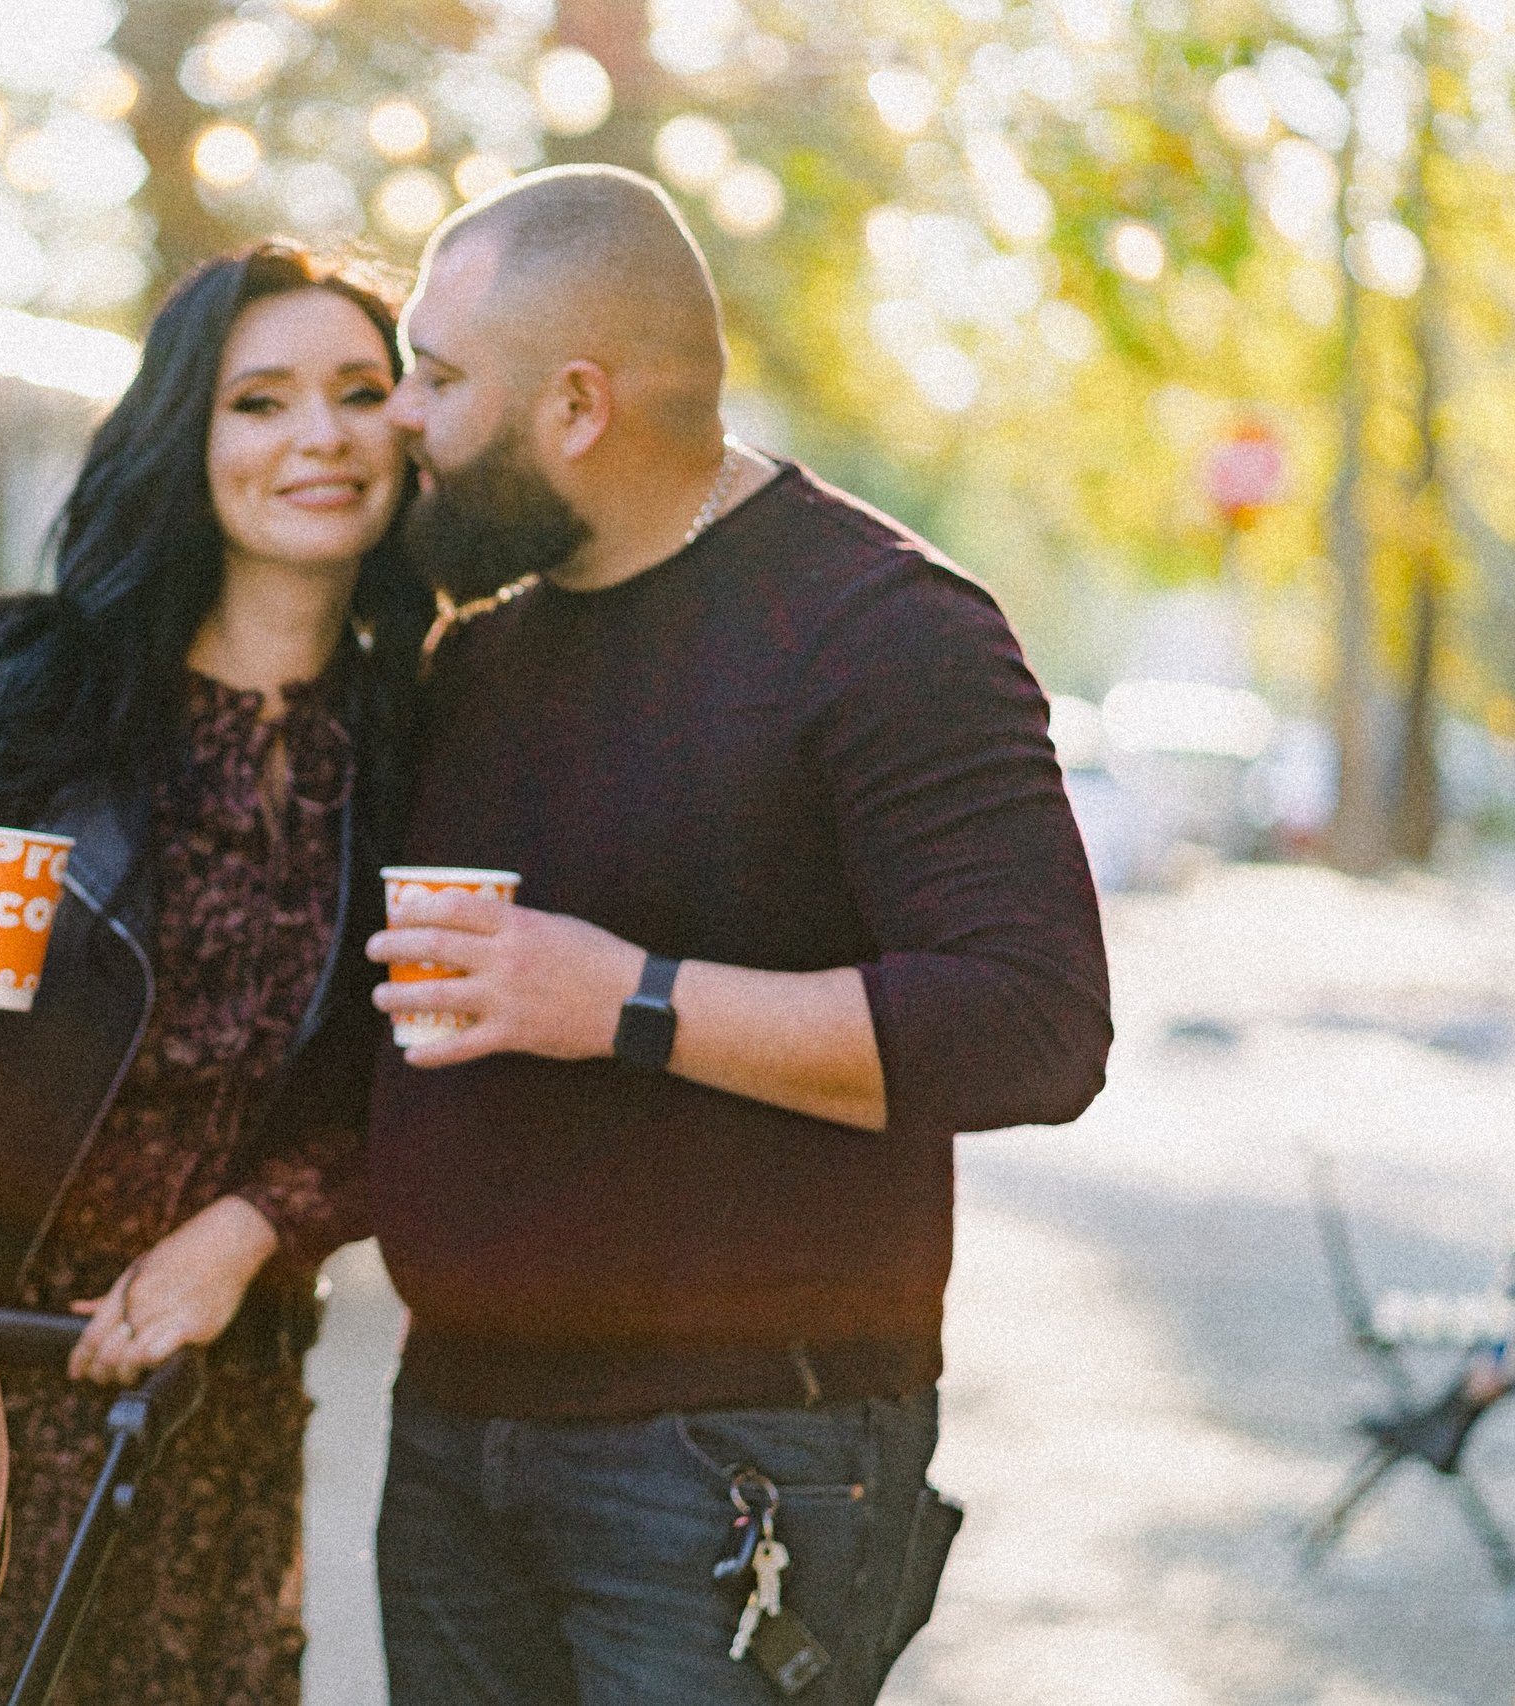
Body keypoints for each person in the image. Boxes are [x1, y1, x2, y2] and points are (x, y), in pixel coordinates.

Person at [360, 165, 1112, 1705]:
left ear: (576, 405)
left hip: (735, 1464)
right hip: (448, 1439)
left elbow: (1035, 1023)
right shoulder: (477, 649)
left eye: (436, 379)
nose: (399, 419)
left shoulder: (885, 629)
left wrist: (628, 1000)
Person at [0, 242, 431, 1705]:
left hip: (204, 1401)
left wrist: (253, 1226)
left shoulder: (434, 741)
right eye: (260, 400)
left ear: (411, 427)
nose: (316, 434)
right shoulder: (35, 682)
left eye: (358, 391)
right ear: (190, 439)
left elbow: (420, 1086)